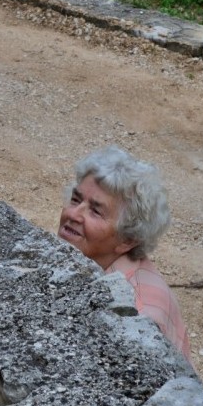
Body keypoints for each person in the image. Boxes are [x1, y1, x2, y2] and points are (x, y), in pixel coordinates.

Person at [57, 146, 191, 360]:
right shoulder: (85, 256)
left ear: (127, 240)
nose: (73, 214)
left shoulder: (137, 316)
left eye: (95, 211)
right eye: (75, 199)